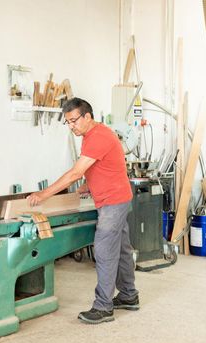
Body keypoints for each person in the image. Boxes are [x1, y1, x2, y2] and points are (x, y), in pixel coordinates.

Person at [27, 97, 139, 324]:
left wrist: (43, 195)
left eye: (74, 121)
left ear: (87, 116)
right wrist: (90, 185)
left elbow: (75, 173)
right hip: (118, 197)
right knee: (122, 250)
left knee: (105, 252)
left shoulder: (97, 136)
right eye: (67, 123)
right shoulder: (93, 134)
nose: (71, 127)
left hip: (112, 202)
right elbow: (105, 165)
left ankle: (103, 307)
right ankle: (128, 295)